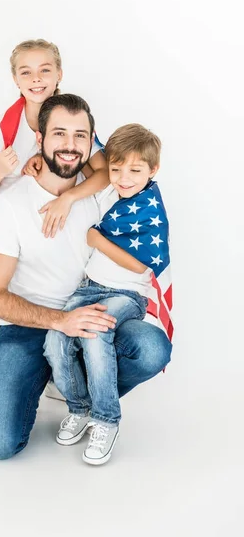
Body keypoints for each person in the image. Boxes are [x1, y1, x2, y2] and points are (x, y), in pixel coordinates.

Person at [0, 94, 172, 460]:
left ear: (92, 142)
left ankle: (85, 400)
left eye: (80, 135)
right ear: (40, 139)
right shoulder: (11, 207)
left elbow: (134, 173)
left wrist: (68, 199)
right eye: (59, 134)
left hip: (94, 311)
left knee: (152, 348)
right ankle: (58, 377)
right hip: (33, 324)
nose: (69, 144)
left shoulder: (105, 191)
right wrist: (61, 320)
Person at [0, 40, 109, 379]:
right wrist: (1, 172)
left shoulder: (67, 115)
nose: (36, 79)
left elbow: (104, 173)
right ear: (16, 80)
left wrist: (68, 198)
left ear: (59, 74)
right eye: (26, 72)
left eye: (45, 70)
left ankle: (59, 373)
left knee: (60, 296)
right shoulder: (8, 124)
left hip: (46, 218)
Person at [44, 124, 172, 465]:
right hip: (88, 287)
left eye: (134, 170)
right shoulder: (108, 192)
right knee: (56, 339)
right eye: (116, 169)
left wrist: (96, 239)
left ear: (152, 170)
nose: (124, 177)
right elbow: (90, 149)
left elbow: (138, 267)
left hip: (126, 294)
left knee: (95, 330)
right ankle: (79, 408)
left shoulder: (149, 209)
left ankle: (106, 419)